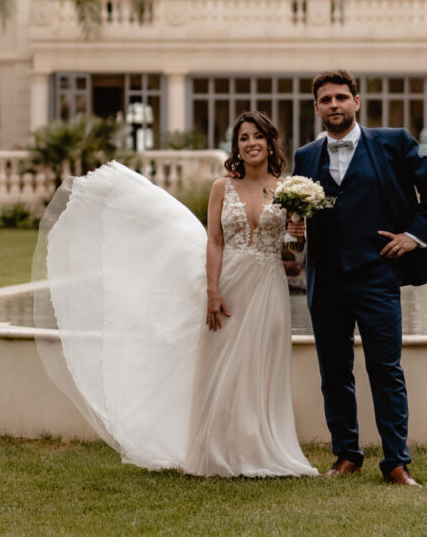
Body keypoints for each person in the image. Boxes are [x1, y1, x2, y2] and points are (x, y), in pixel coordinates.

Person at [36, 111, 316, 478]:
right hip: (229, 284)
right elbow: (214, 242)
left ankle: (258, 451)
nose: (251, 143)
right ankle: (212, 453)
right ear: (236, 147)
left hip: (268, 286)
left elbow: (292, 252)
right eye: (244, 138)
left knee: (261, 366)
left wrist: (297, 231)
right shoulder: (222, 188)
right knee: (217, 366)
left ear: (270, 142)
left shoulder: (287, 190)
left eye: (258, 136)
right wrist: (212, 290)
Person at [290, 70, 427, 487]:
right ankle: (347, 455)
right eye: (326, 99)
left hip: (377, 275)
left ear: (356, 102)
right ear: (317, 108)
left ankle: (396, 462)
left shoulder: (393, 142)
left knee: (385, 369)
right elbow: (301, 217)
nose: (334, 104)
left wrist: (414, 236)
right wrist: (295, 231)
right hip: (325, 281)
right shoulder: (305, 156)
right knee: (334, 373)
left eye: (341, 97)